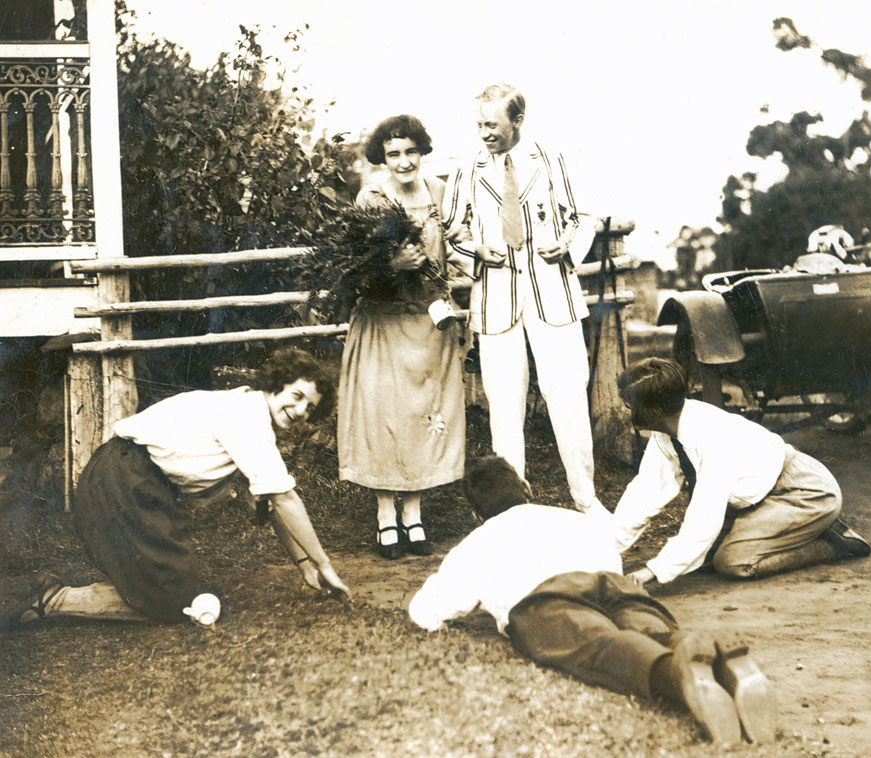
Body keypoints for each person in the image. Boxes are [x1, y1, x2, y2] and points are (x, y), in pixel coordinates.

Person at [408, 456, 776, 745]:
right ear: (526, 490)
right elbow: (610, 560)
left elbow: (428, 610)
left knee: (601, 644)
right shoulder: (576, 520)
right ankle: (696, 649)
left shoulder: (478, 542)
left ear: (477, 512)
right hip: (613, 585)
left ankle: (675, 674)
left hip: (547, 598)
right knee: (646, 624)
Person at [0, 347, 350, 631]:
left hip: (135, 486)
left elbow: (272, 503)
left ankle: (85, 590)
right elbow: (286, 498)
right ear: (277, 384)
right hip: (124, 483)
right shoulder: (247, 414)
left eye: (311, 407)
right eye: (298, 395)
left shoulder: (251, 414)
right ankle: (57, 600)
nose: (301, 410)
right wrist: (325, 565)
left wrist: (305, 564)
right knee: (178, 603)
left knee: (181, 594)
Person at [442, 83, 606, 516]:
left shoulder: (551, 160)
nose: (484, 133)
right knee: (504, 407)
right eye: (479, 124)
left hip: (553, 296)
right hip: (497, 302)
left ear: (517, 121)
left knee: (568, 397)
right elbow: (450, 233)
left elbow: (583, 217)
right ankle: (510, 510)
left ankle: (586, 500)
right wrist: (474, 251)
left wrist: (567, 246)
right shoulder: (466, 169)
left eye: (492, 124)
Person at [613, 357, 871, 589]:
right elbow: (645, 494)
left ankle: (834, 542)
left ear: (653, 411)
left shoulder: (711, 437)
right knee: (703, 557)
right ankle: (794, 530)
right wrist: (604, 551)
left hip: (804, 493)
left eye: (630, 406)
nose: (628, 412)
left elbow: (705, 517)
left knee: (732, 561)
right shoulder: (667, 433)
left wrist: (652, 572)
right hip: (758, 499)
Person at [338, 114, 465, 559]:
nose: (404, 161)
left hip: (429, 323)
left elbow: (457, 247)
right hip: (385, 320)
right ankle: (385, 518)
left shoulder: (439, 193)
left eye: (411, 151)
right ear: (382, 158)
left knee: (421, 415)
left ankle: (414, 514)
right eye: (394, 154)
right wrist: (392, 267)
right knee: (385, 414)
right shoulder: (371, 196)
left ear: (422, 152)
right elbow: (355, 265)